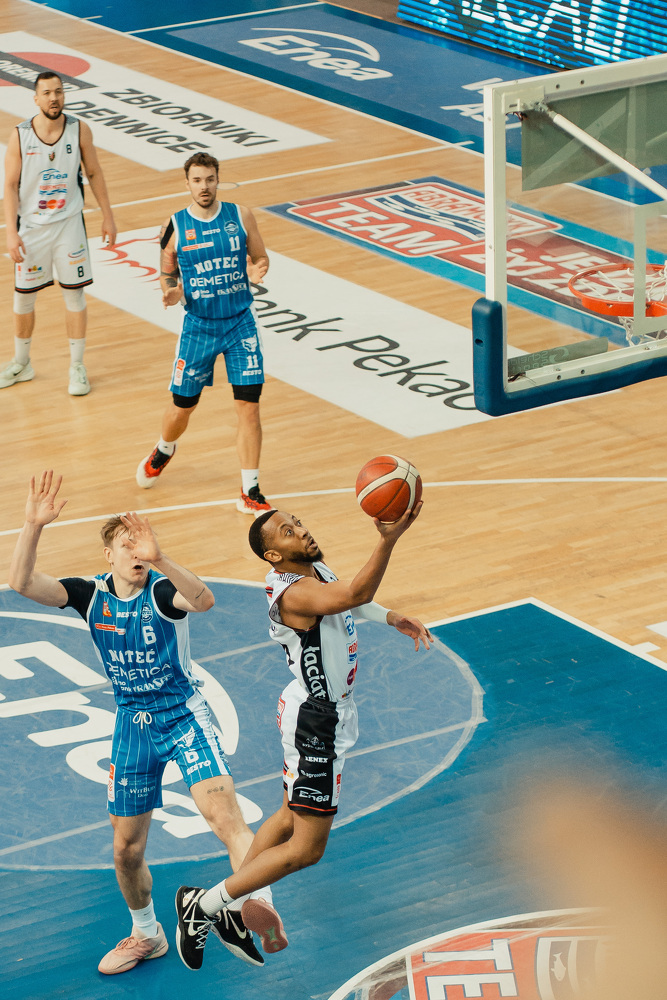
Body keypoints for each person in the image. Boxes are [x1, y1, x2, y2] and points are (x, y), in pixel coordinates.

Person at [9, 470, 284, 975]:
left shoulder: (161, 594)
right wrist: (33, 525)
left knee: (226, 819)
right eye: (127, 545)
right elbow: (22, 583)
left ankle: (254, 903)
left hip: (183, 716)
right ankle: (147, 935)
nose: (137, 551)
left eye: (142, 543)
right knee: (125, 850)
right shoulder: (90, 596)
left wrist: (162, 558)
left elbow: (203, 600)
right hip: (132, 726)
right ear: (109, 556)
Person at [174, 503, 433, 971]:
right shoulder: (292, 593)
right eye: (287, 532)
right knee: (307, 849)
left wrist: (391, 616)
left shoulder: (312, 569)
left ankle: (237, 903)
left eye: (297, 523)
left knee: (288, 815)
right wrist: (388, 539)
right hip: (317, 724)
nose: (301, 530)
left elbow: (348, 597)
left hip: (319, 713)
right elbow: (353, 592)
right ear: (274, 555)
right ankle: (205, 906)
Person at [136, 152, 272, 515]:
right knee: (183, 407)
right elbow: (167, 273)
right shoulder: (176, 226)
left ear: (218, 180)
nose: (204, 187)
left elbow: (261, 257)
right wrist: (171, 291)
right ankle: (165, 447)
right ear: (187, 184)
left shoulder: (241, 216)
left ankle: (250, 489)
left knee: (250, 408)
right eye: (197, 180)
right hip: (199, 327)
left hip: (240, 323)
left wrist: (257, 269)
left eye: (210, 179)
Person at [1, 71, 117, 396]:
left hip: (69, 225)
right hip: (32, 228)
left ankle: (77, 366)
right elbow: (9, 186)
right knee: (24, 297)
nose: (54, 98)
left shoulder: (79, 129)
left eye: (59, 92)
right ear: (36, 99)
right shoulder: (20, 135)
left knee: (74, 295)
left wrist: (108, 216)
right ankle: (22, 362)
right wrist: (11, 233)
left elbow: (93, 172)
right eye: (47, 93)